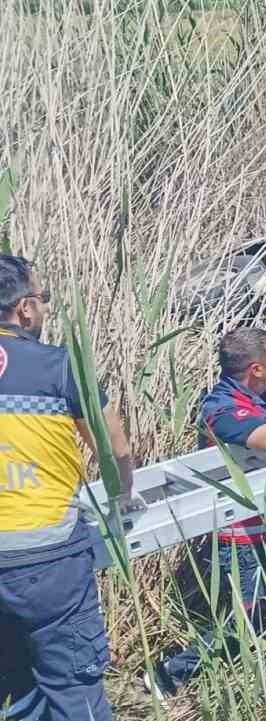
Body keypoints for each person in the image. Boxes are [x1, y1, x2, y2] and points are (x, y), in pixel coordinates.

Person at [149, 328, 266, 698]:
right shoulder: (225, 410)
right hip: (243, 536)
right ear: (256, 368)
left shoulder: (249, 398)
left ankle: (250, 680)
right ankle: (169, 676)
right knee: (243, 620)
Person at [0, 254, 139, 721]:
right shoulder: (59, 368)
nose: (44, 309)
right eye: (43, 300)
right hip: (47, 561)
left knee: (14, 683)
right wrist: (121, 497)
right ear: (24, 309)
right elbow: (113, 447)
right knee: (71, 688)